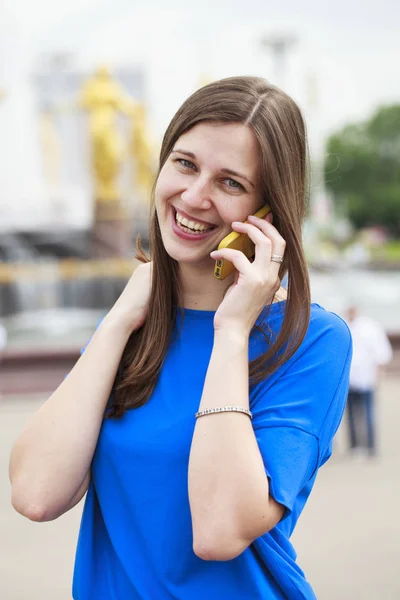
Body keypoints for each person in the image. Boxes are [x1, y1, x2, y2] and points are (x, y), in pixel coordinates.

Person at [9, 76, 352, 600]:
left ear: (268, 212)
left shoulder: (311, 342)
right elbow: (36, 494)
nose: (194, 197)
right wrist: (122, 317)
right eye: (186, 164)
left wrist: (232, 332)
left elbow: (218, 530)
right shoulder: (132, 326)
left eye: (230, 183)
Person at [345, 304, 392, 458]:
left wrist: (379, 376)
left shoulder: (370, 328)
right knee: (351, 414)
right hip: (349, 379)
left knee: (368, 414)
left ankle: (370, 447)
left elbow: (382, 353)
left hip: (366, 377)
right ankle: (355, 446)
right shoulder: (344, 325)